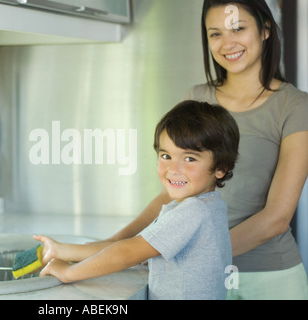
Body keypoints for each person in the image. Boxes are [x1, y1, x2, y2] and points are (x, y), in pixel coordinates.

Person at [99, 0, 308, 300]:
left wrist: (193, 250)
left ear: (264, 31)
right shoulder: (197, 98)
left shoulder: (295, 106)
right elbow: (172, 194)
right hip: (196, 279)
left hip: (269, 279)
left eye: (238, 28)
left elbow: (277, 216)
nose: (228, 43)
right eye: (215, 34)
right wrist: (120, 241)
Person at [35, 100, 240, 300]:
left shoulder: (193, 211)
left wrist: (69, 272)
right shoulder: (210, 205)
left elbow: (126, 252)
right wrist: (61, 250)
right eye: (166, 156)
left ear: (221, 168)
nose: (173, 169)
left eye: (190, 159)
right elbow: (134, 247)